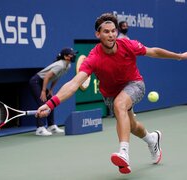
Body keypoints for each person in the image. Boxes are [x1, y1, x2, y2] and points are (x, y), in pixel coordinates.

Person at [35, 13, 187, 173]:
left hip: (134, 84)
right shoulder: (93, 57)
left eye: (113, 31)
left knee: (119, 104)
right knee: (132, 126)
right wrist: (51, 104)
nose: (111, 35)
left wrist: (179, 57)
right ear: (98, 34)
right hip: (110, 94)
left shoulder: (127, 45)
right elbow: (74, 84)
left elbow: (153, 52)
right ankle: (152, 139)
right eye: (106, 32)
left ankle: (124, 153)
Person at [29, 47, 78, 136]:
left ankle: (51, 126)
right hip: (36, 81)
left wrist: (51, 89)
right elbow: (47, 76)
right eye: (71, 54)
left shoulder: (68, 65)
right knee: (42, 102)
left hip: (42, 82)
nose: (74, 56)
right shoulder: (60, 65)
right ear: (66, 57)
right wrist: (44, 91)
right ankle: (40, 128)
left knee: (50, 101)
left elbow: (56, 77)